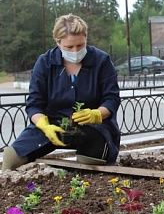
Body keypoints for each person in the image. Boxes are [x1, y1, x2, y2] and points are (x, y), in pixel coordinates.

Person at [2, 14, 121, 170]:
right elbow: (34, 104)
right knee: (11, 159)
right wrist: (43, 125)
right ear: (58, 43)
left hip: (93, 127)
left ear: (86, 38)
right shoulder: (45, 63)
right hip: (53, 124)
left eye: (80, 45)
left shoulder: (102, 61)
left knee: (91, 163)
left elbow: (111, 98)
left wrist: (97, 114)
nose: (76, 51)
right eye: (69, 47)